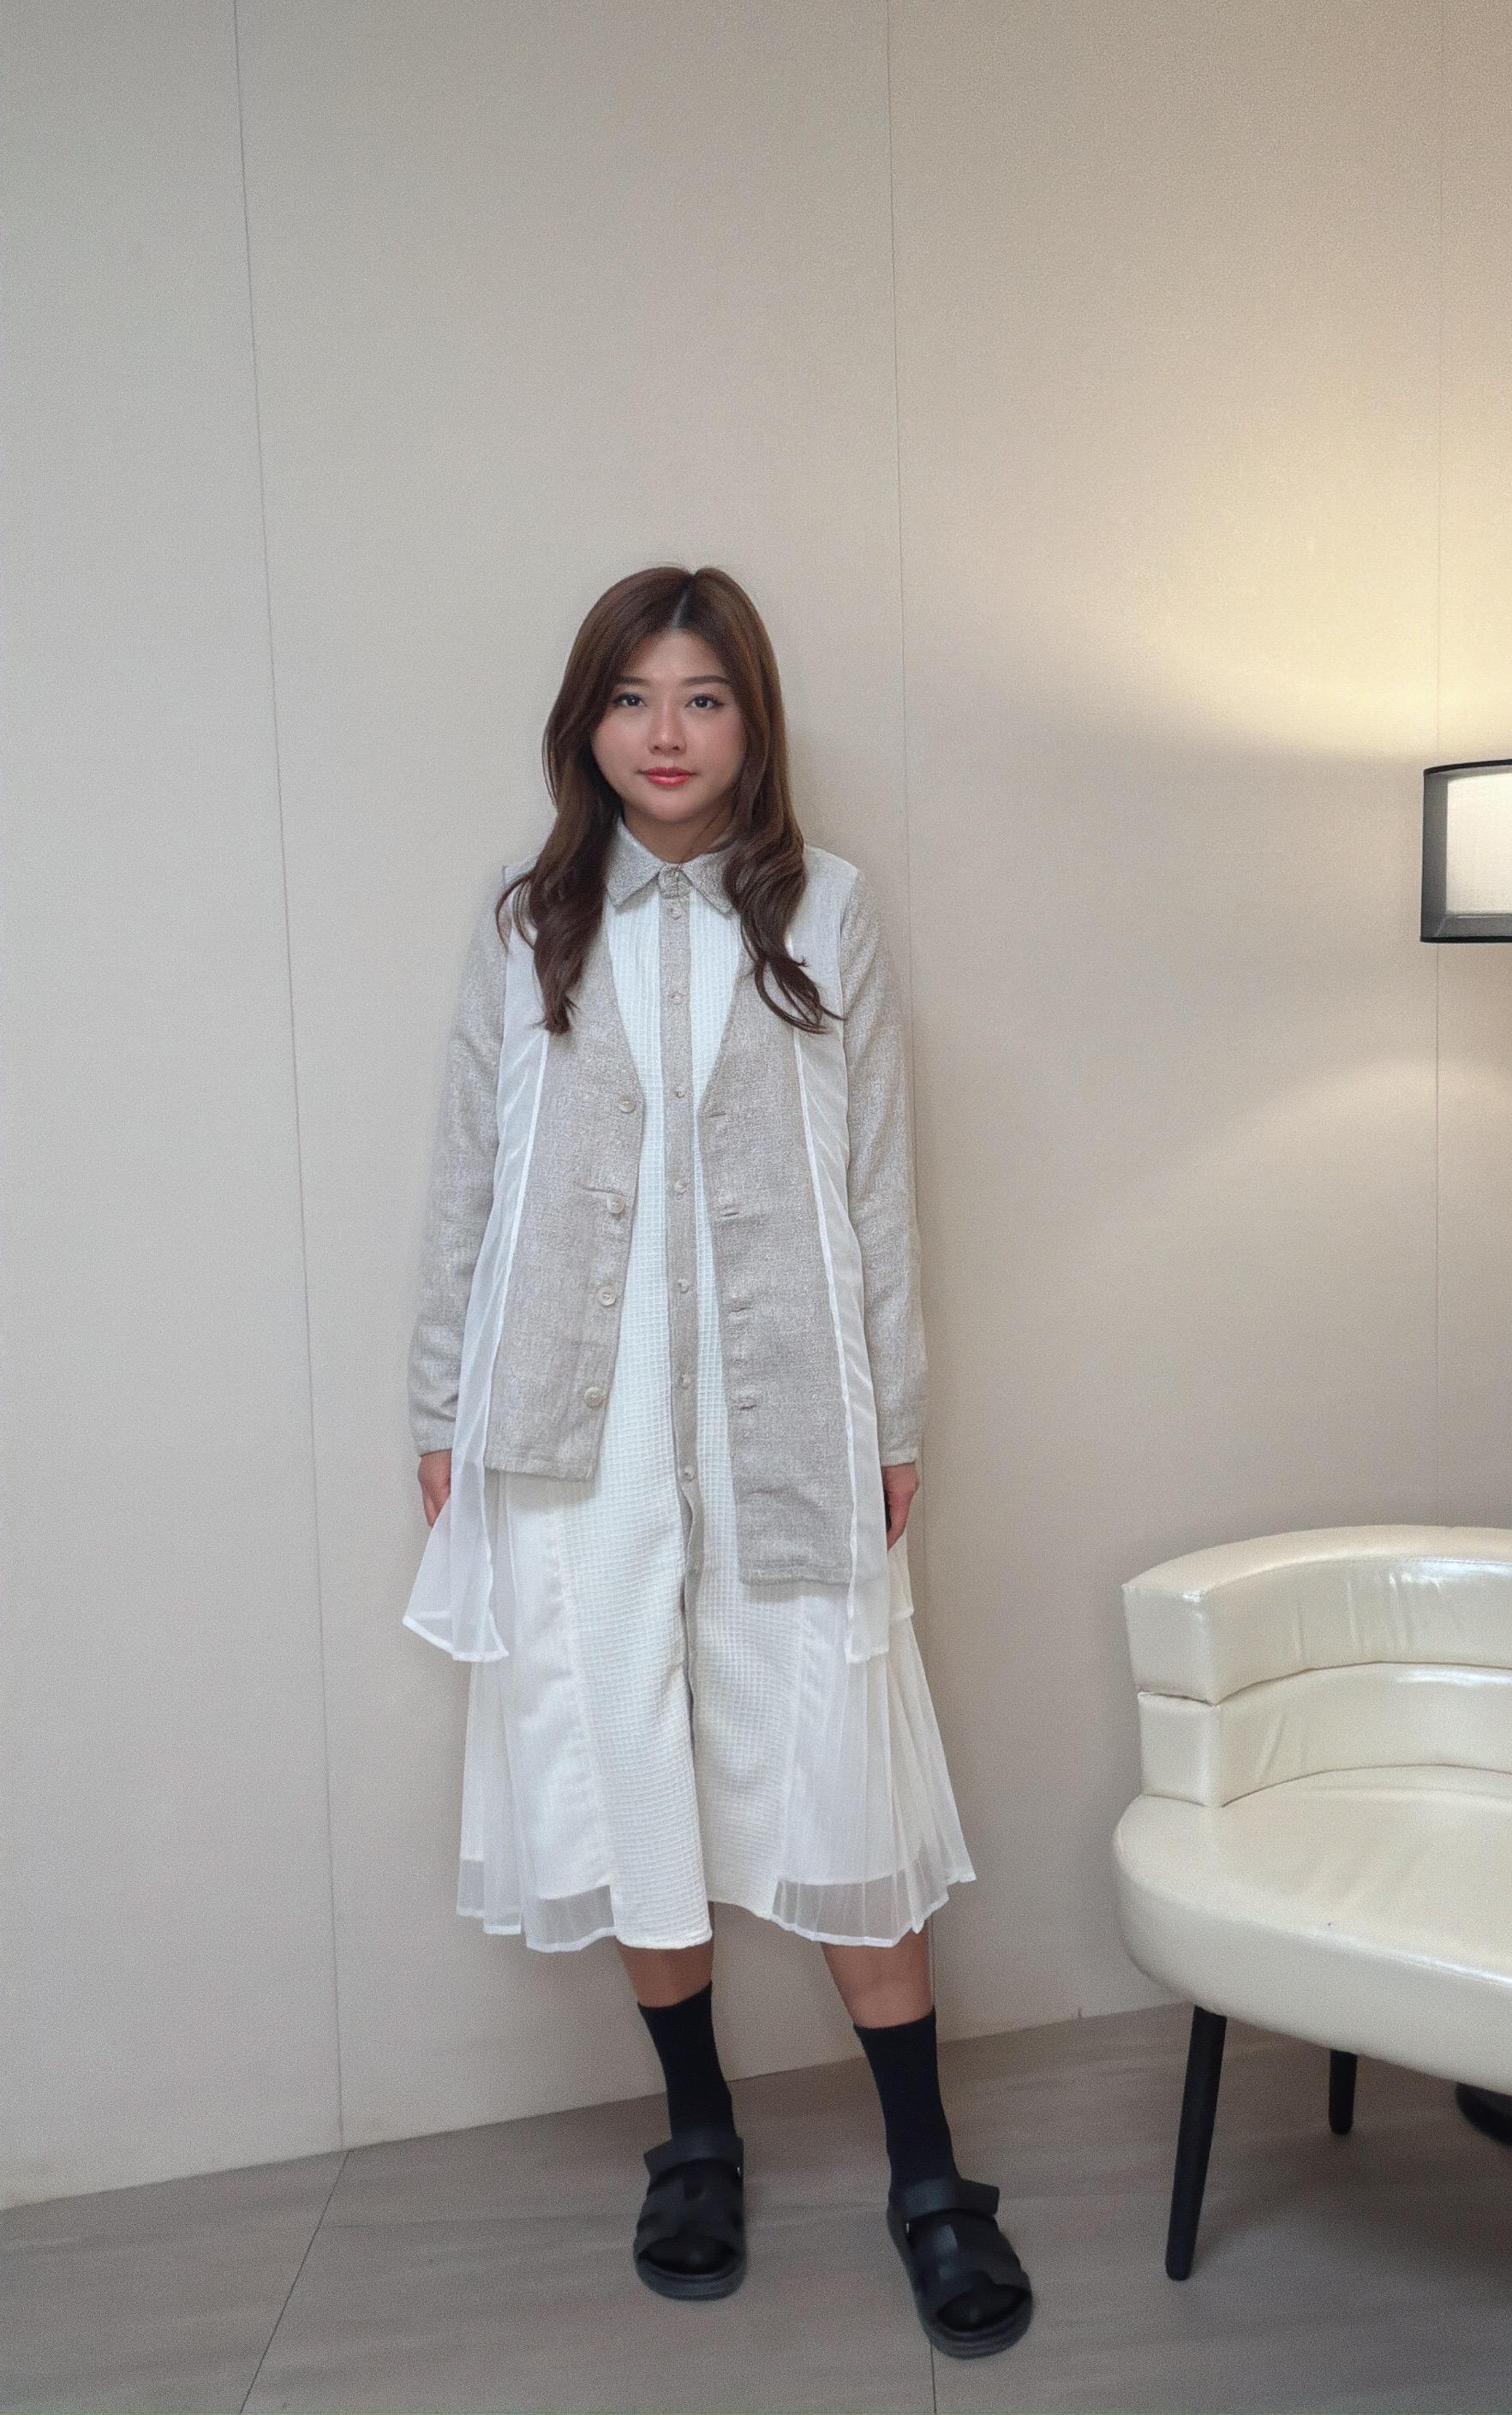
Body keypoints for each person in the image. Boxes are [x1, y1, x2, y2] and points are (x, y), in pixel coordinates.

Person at [403, 564, 1033, 2356]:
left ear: (752, 723)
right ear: (585, 725)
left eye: (700, 698)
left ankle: (930, 2178)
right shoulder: (530, 918)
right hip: (575, 1434)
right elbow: (469, 1180)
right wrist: (444, 1413)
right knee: (629, 1772)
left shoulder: (828, 909)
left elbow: (880, 1185)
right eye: (630, 698)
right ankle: (696, 2139)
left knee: (840, 1779)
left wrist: (894, 1419)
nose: (663, 734)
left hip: (789, 1415)